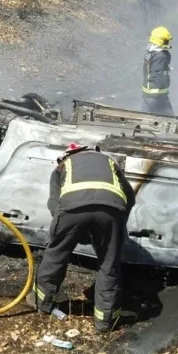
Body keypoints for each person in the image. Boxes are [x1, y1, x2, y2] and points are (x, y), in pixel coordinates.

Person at [26, 143, 136, 333]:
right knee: (109, 265)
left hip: (72, 210)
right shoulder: (109, 162)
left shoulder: (63, 165)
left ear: (67, 155)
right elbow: (129, 198)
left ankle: (42, 302)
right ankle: (105, 321)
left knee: (56, 255)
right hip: (111, 212)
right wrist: (118, 226)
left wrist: (66, 232)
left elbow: (54, 204)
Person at [142, 26, 174, 116]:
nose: (167, 43)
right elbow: (158, 75)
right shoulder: (160, 56)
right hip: (158, 95)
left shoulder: (150, 53)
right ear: (161, 40)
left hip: (147, 94)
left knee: (145, 117)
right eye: (166, 41)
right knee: (170, 119)